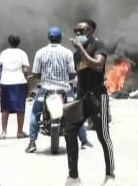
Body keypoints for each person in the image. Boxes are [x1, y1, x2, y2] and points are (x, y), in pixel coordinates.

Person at [65, 19, 116, 186]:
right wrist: (77, 98)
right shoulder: (76, 54)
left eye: (83, 30)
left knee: (103, 136)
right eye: (76, 30)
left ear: (92, 31)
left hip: (97, 97)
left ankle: (110, 175)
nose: (79, 34)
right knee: (70, 132)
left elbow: (98, 66)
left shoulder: (98, 46)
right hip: (82, 97)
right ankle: (73, 177)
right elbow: (80, 76)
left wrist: (81, 50)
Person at [26, 27, 91, 153]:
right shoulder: (67, 53)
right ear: (60, 38)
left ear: (48, 38)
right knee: (77, 114)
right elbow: (72, 74)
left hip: (45, 89)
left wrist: (43, 76)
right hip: (65, 89)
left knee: (35, 113)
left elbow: (36, 73)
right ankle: (84, 141)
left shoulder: (40, 52)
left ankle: (32, 143)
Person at [0, 35, 30, 139]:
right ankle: (19, 132)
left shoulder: (4, 53)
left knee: (5, 108)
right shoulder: (22, 53)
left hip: (5, 82)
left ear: (9, 42)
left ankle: (3, 132)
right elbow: (25, 70)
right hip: (19, 82)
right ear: (19, 42)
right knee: (20, 108)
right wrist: (27, 82)